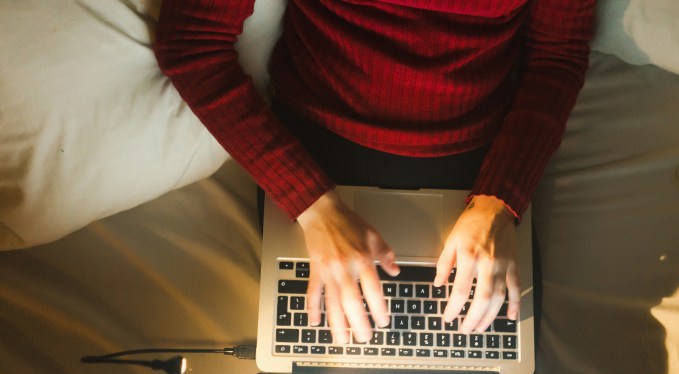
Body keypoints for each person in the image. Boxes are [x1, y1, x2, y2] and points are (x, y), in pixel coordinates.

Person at [154, 0, 596, 345]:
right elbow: (191, 41)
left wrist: (497, 200)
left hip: (483, 165)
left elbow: (558, 56)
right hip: (317, 157)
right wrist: (310, 202)